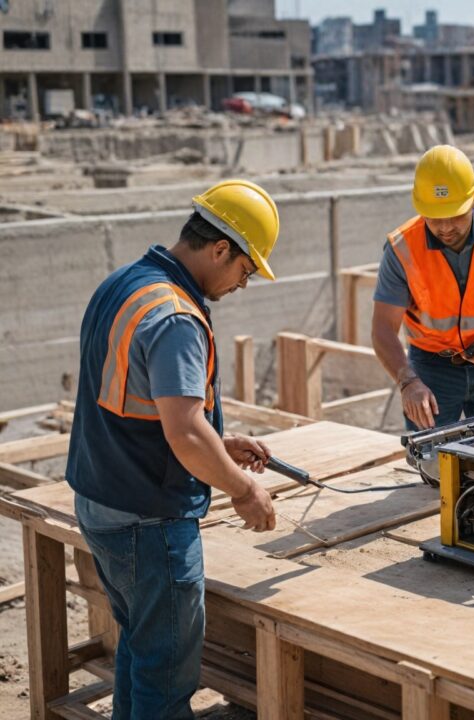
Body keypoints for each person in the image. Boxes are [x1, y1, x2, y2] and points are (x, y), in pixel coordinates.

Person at [66, 179, 281, 718]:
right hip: (149, 521)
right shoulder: (178, 316)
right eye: (245, 270)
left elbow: (139, 404)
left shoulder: (126, 283)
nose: (241, 283)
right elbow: (183, 433)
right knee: (165, 680)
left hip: (101, 503)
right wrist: (244, 487)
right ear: (220, 250)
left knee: (140, 649)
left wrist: (219, 443)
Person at [371, 145, 474, 430]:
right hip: (432, 367)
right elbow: (383, 329)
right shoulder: (402, 248)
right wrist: (408, 382)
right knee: (432, 462)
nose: (446, 227)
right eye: (435, 218)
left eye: (455, 215)